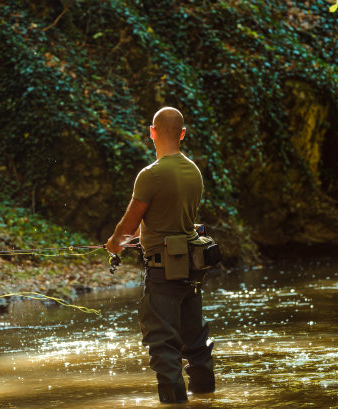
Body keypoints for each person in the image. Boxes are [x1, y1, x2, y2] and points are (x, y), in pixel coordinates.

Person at [106, 107, 215, 404]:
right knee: (196, 343)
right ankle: (206, 398)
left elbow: (127, 227)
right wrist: (144, 238)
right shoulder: (193, 171)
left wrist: (115, 244)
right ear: (182, 134)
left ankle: (174, 404)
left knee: (164, 347)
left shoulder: (150, 175)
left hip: (162, 273)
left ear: (152, 132)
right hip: (192, 269)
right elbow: (177, 221)